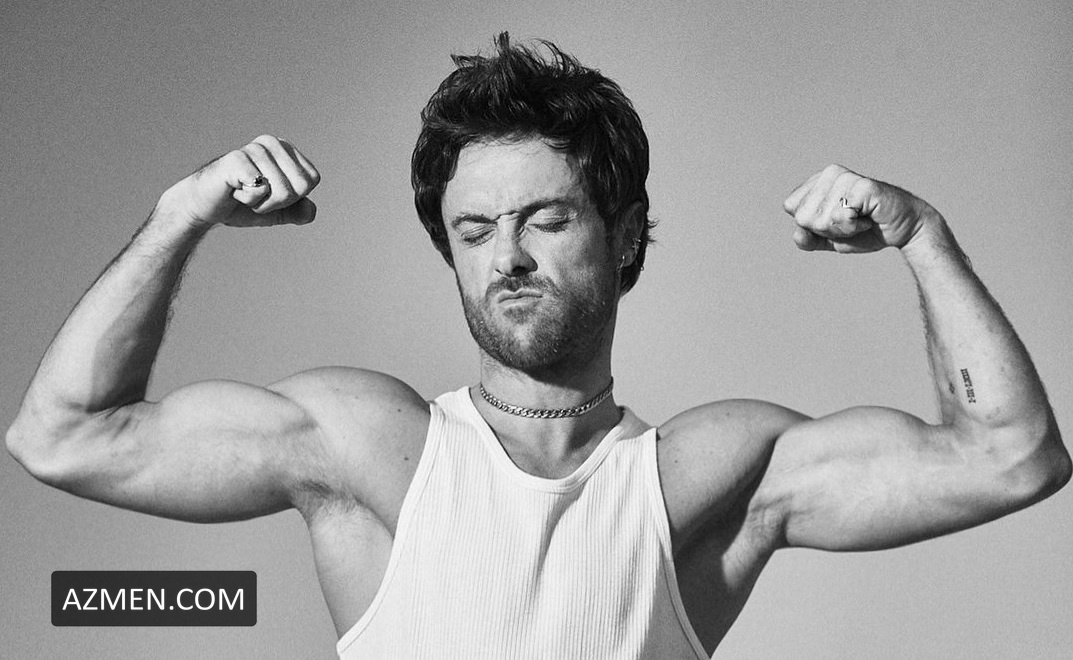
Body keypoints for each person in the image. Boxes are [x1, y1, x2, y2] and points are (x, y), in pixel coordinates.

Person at [6, 33, 1069, 659]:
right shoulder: (369, 450)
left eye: (546, 220)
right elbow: (60, 437)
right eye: (473, 231)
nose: (506, 257)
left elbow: (1009, 458)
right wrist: (181, 214)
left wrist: (921, 238)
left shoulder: (704, 478)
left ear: (625, 233)